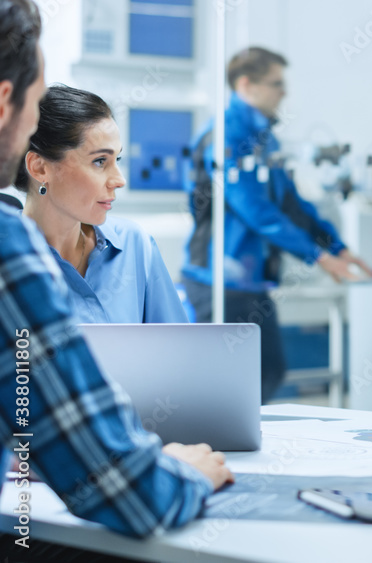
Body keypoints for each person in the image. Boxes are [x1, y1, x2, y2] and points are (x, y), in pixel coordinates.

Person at [0, 0, 233, 554]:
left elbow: (189, 378)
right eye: (32, 111)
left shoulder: (134, 248)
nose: (117, 180)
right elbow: (128, 493)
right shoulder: (13, 251)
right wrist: (186, 473)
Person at [181, 46, 372, 403]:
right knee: (221, 386)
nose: (284, 92)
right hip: (218, 281)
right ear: (246, 85)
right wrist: (317, 257)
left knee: (269, 372)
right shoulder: (225, 136)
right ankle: (211, 455)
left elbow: (290, 204)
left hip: (252, 282)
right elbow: (256, 210)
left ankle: (242, 452)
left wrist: (337, 247)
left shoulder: (266, 141)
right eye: (276, 84)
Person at [13, 84, 187, 324]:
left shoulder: (135, 246)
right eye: (99, 161)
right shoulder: (10, 264)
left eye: (118, 159)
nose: (119, 180)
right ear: (39, 167)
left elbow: (179, 353)